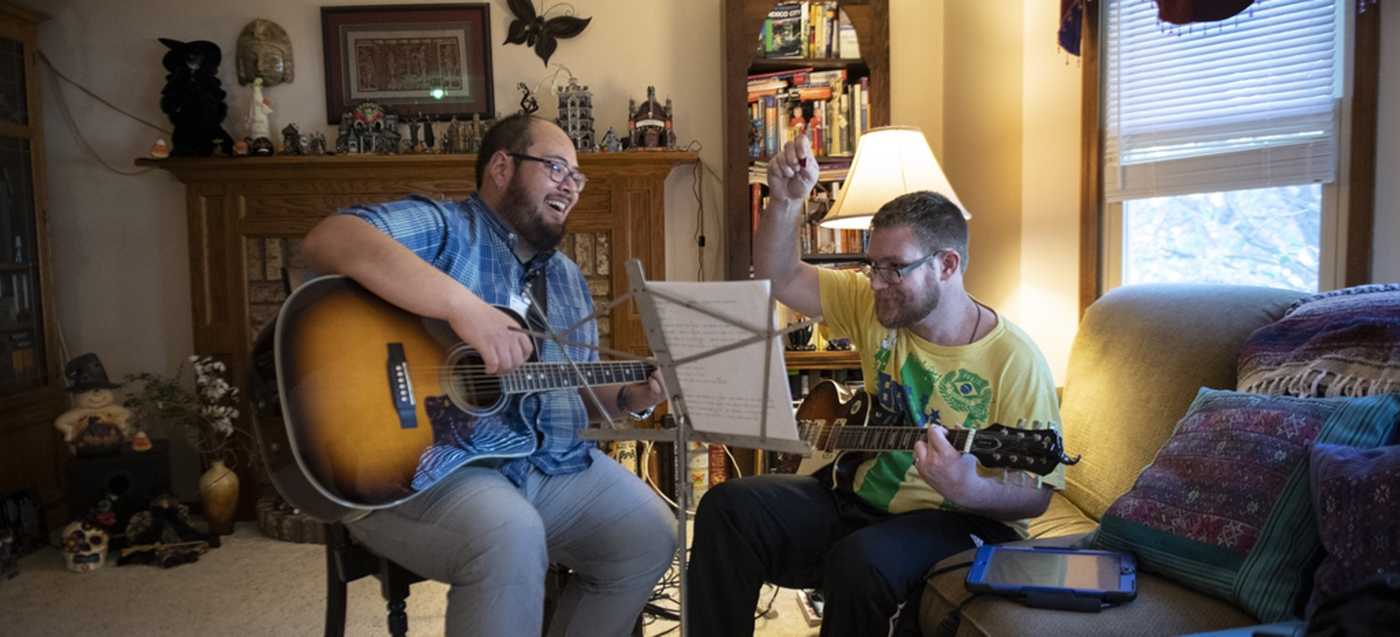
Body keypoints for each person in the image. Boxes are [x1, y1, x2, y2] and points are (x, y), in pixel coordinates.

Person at [300, 113, 677, 636]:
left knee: (651, 534)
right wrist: (462, 308)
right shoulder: (447, 228)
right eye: (555, 168)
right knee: (509, 532)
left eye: (577, 177)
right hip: (425, 467)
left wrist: (633, 395)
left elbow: (574, 396)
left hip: (545, 465)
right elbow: (331, 238)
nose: (570, 186)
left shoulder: (567, 278)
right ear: (502, 166)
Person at [687, 136, 1065, 636]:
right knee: (727, 508)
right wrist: (784, 201)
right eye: (872, 264)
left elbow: (1035, 497)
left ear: (946, 265)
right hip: (859, 498)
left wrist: (968, 486)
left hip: (958, 519)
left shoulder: (1014, 359)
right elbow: (778, 276)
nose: (877, 280)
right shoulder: (874, 305)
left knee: (859, 563)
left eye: (895, 268)